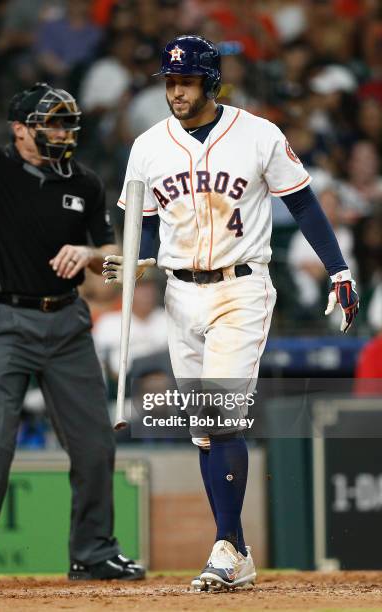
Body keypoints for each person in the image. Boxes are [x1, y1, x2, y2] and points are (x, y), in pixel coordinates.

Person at [103, 34, 359, 592]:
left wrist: (338, 270)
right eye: (170, 81)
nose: (175, 90)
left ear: (211, 82)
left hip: (241, 287)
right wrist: (137, 259)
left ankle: (223, 548)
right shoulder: (148, 144)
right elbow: (136, 222)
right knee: (204, 431)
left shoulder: (259, 134)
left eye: (186, 80)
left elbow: (303, 202)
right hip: (179, 294)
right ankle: (235, 548)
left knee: (220, 416)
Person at [0, 46, 145, 584]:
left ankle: (93, 552)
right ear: (20, 129)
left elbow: (120, 272)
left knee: (94, 442)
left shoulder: (85, 184)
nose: (65, 133)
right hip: (7, 321)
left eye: (69, 124)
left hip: (67, 322)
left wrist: (94, 257)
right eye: (54, 124)